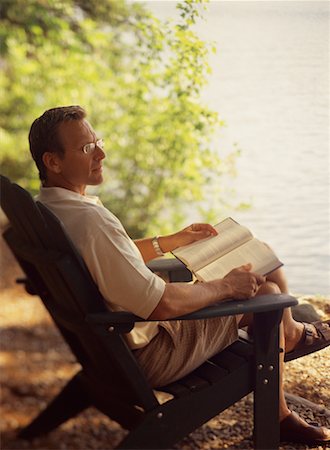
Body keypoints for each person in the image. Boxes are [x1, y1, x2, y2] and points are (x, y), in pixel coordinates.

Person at [29, 105, 330, 444]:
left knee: (264, 266)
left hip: (107, 352)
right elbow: (161, 304)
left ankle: (287, 333)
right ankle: (281, 409)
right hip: (150, 355)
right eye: (87, 148)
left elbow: (113, 255)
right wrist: (226, 286)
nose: (101, 152)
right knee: (268, 293)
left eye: (97, 141)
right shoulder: (90, 222)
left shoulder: (53, 209)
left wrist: (170, 242)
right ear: (53, 162)